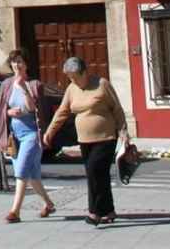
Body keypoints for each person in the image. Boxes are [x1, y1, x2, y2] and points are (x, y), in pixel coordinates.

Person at [43, 56, 130, 226]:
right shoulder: (71, 89)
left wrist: (124, 132)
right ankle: (109, 211)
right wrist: (49, 132)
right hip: (84, 140)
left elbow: (117, 109)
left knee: (93, 171)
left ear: (85, 72)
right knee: (100, 175)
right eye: (70, 77)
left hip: (106, 138)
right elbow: (62, 111)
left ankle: (94, 212)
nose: (72, 80)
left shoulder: (102, 84)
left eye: (75, 76)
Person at [0, 49, 54, 223]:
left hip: (31, 135)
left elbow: (33, 108)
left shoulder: (35, 85)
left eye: (20, 62)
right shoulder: (6, 84)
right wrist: (9, 111)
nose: (16, 65)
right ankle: (49, 204)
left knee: (21, 170)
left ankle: (15, 212)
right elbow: (1, 110)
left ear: (27, 64)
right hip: (15, 136)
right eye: (14, 62)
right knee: (32, 176)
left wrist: (23, 88)